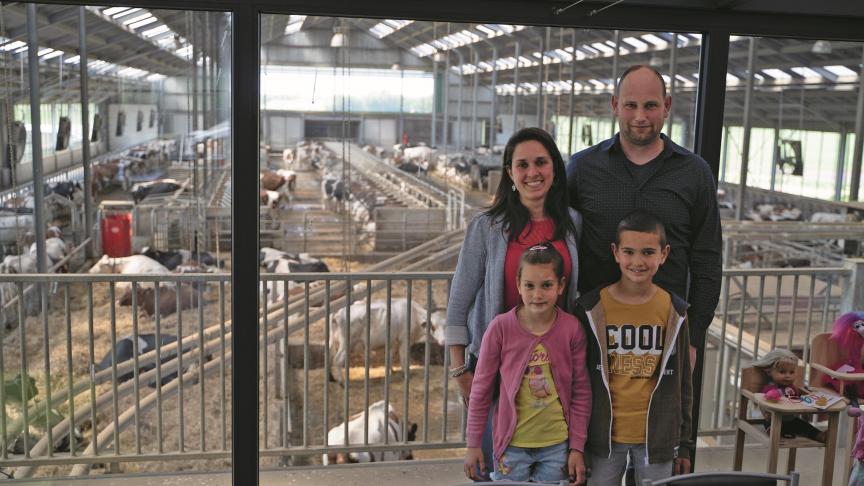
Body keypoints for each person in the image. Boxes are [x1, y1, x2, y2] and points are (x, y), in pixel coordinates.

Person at [566, 64, 722, 371]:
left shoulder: (694, 173)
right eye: (630, 105)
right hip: (596, 333)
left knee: (661, 419)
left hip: (665, 334)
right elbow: (559, 244)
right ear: (615, 106)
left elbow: (707, 258)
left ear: (667, 106)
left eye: (650, 105)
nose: (640, 116)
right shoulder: (582, 169)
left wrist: (694, 337)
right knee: (594, 417)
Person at [446, 127, 582, 479]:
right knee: (496, 464)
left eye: (541, 162)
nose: (532, 172)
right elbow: (459, 300)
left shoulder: (572, 224)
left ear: (554, 168)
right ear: (510, 172)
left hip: (552, 369)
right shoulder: (487, 227)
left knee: (551, 466)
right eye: (522, 165)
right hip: (495, 368)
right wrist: (461, 369)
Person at [574, 210, 692, 485]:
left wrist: (683, 443)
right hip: (603, 437)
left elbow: (683, 382)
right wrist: (576, 442)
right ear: (615, 252)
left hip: (657, 439)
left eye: (648, 253)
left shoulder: (675, 311)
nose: (638, 262)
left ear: (664, 254)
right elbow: (578, 381)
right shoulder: (592, 308)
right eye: (629, 252)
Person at [463, 244, 590, 484]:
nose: (537, 294)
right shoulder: (500, 328)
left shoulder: (571, 329)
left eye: (546, 285)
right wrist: (473, 444)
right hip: (511, 448)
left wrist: (577, 447)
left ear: (561, 286)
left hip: (557, 447)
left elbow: (581, 392)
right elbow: (480, 390)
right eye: (529, 286)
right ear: (518, 284)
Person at [751, 349, 826, 442]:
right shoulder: (770, 388)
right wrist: (771, 397)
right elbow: (764, 399)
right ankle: (772, 432)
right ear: (769, 371)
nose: (788, 376)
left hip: (791, 418)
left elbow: (797, 395)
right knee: (772, 424)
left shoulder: (792, 387)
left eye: (791, 372)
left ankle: (819, 435)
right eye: (782, 372)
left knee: (803, 425)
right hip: (775, 418)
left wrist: (807, 395)